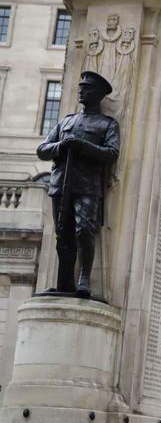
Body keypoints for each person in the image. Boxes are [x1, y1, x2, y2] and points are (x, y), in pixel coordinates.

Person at [36, 71, 120, 299]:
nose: (81, 91)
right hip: (61, 184)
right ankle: (64, 282)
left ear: (99, 94)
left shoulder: (106, 124)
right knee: (63, 234)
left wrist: (83, 146)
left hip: (87, 186)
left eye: (87, 88)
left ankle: (84, 278)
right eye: (81, 87)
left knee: (84, 230)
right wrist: (62, 146)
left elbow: (112, 153)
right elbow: (42, 150)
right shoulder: (66, 121)